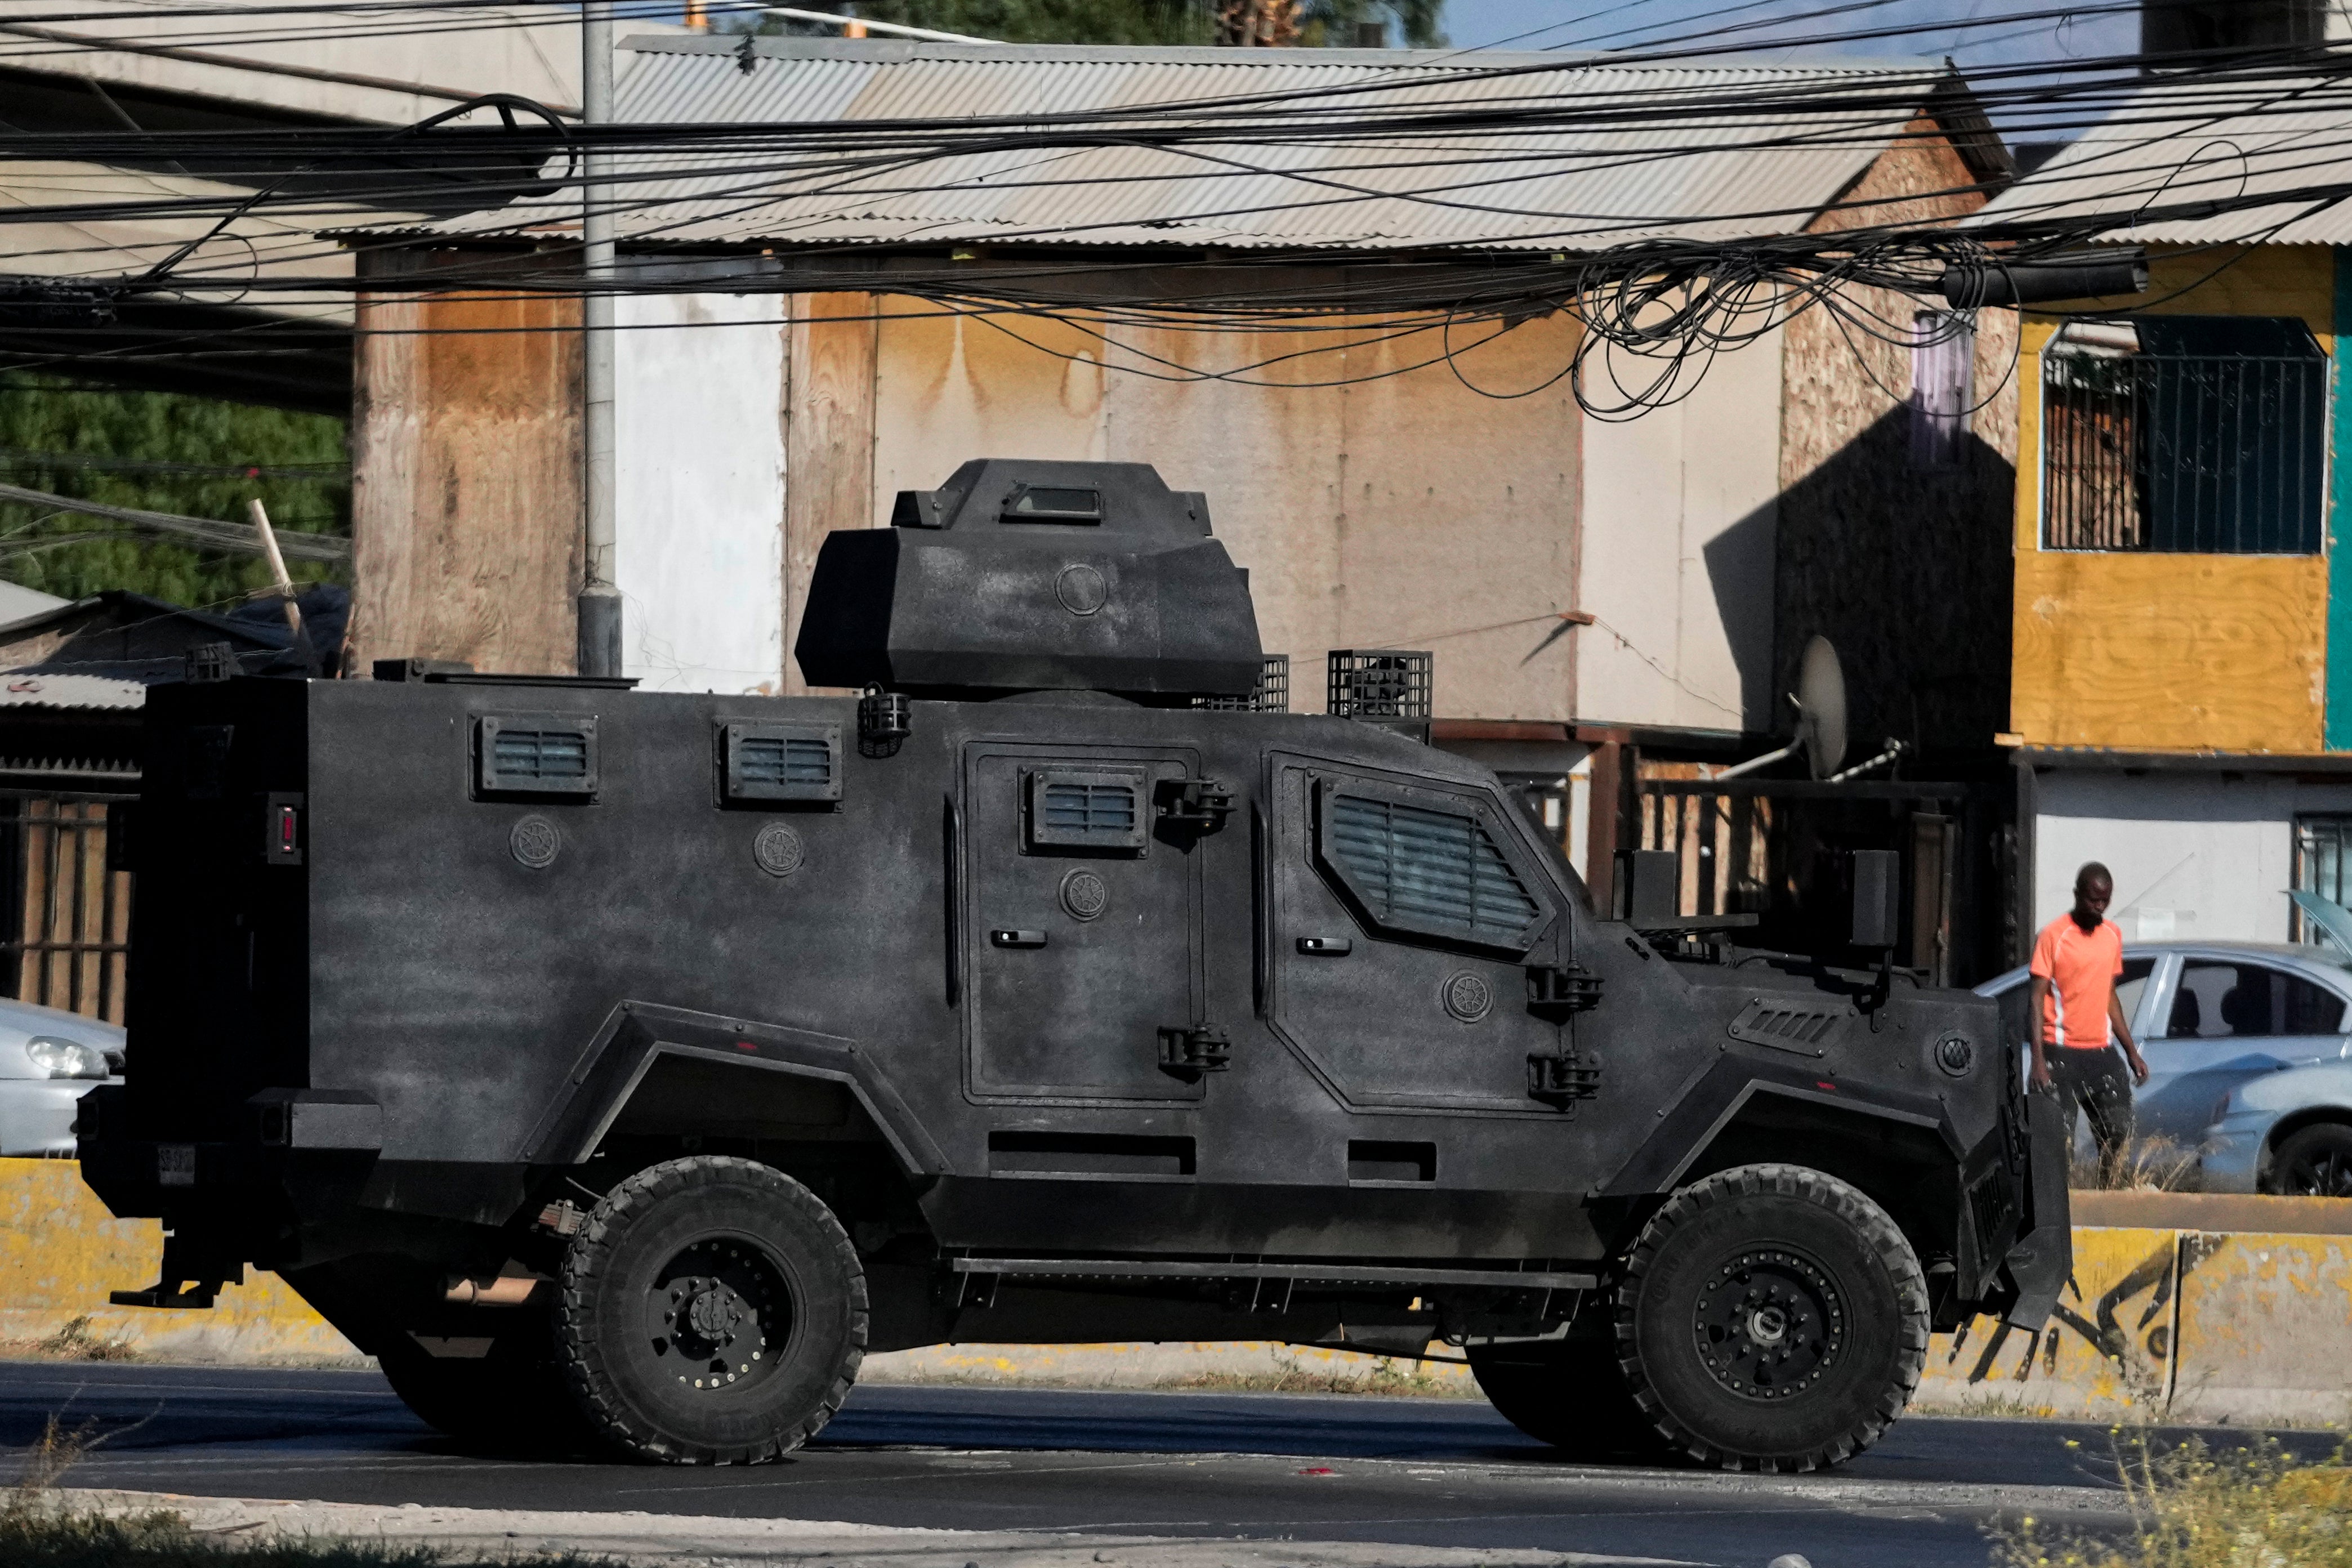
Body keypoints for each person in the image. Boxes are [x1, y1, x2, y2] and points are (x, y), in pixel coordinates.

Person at [2028, 861, 2150, 1186]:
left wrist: (2132, 1052)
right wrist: (2038, 1060)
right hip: (2059, 1053)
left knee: (2119, 1132)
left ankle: (2107, 1197)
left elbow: (2109, 996)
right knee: (2057, 1144)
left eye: (2105, 901)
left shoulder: (2112, 935)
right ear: (2077, 895)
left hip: (2100, 1053)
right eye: (2093, 900)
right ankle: (2059, 1204)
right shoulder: (2053, 935)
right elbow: (2036, 999)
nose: (2099, 907)